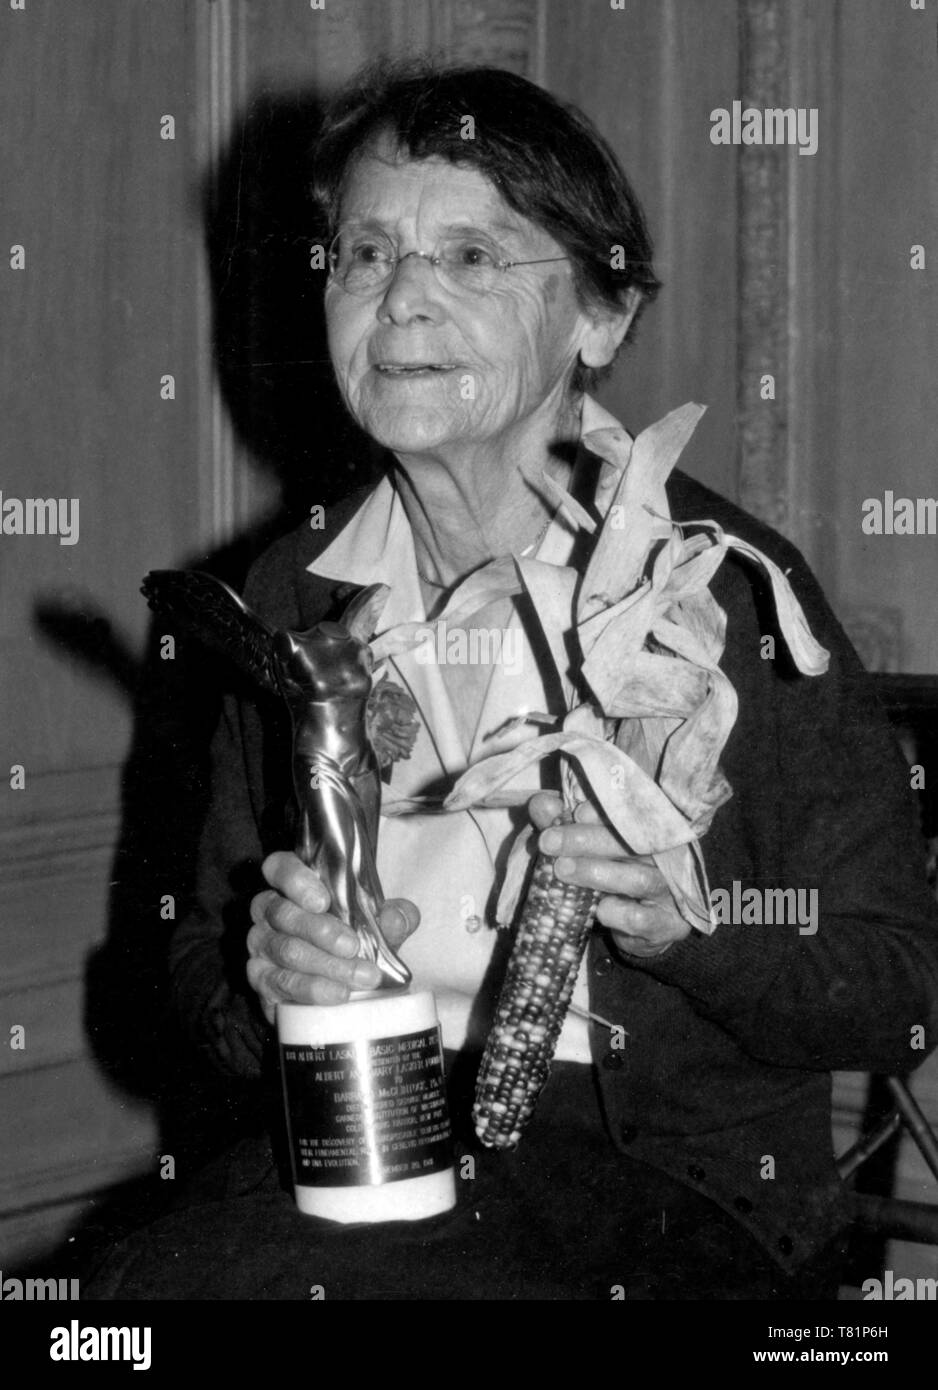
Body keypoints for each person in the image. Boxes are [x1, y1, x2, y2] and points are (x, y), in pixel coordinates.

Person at [85, 60, 938, 1301]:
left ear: (598, 318)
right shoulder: (290, 597)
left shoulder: (728, 594)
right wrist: (263, 982)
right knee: (126, 1304)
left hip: (666, 1195)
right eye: (367, 256)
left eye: (474, 260)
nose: (401, 306)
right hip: (359, 1146)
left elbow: (892, 989)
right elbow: (191, 978)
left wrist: (683, 931)